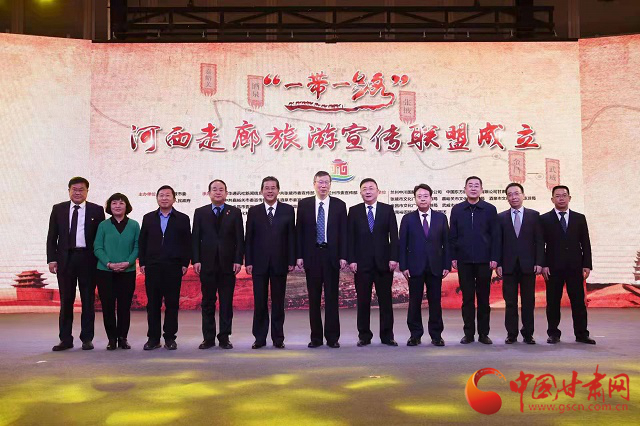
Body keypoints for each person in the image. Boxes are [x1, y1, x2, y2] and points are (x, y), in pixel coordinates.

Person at [47, 177, 105, 351]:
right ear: (69, 191)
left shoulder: (97, 210)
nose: (78, 193)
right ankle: (65, 339)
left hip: (88, 260)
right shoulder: (58, 209)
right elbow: (52, 236)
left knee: (88, 300)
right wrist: (52, 259)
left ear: (87, 191)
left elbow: (100, 238)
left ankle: (87, 338)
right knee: (66, 300)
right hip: (65, 260)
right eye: (74, 189)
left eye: (81, 190)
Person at [296, 171, 347, 348]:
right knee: (314, 299)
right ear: (314, 184)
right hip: (312, 256)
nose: (323, 186)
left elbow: (343, 233)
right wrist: (299, 255)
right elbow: (299, 232)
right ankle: (316, 338)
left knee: (332, 298)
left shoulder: (339, 205)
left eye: (326, 182)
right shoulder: (304, 205)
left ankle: (332, 338)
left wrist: (343, 256)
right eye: (320, 182)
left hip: (332, 256)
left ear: (330, 185)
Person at [192, 179, 244, 350]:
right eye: (214, 189)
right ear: (209, 193)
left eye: (221, 189)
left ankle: (224, 337)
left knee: (226, 302)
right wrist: (196, 260)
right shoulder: (200, 212)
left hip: (228, 265)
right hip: (206, 265)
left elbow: (239, 239)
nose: (218, 192)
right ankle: (208, 338)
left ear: (226, 193)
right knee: (207, 302)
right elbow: (195, 238)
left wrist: (238, 260)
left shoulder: (235, 212)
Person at [540, 185, 595, 345]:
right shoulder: (544, 219)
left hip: (575, 267)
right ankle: (553, 334)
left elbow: (585, 243)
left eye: (564, 195)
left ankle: (582, 334)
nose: (561, 198)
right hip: (553, 267)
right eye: (557, 196)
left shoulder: (579, 218)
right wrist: (543, 265)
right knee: (553, 302)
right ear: (552, 199)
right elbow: (540, 244)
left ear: (569, 198)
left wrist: (587, 264)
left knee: (578, 302)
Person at [138, 185, 191, 350]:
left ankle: (169, 338)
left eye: (168, 195)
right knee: (153, 304)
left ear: (174, 199)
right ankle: (153, 338)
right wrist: (143, 262)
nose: (164, 198)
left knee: (172, 303)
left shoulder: (182, 218)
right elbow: (142, 242)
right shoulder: (148, 218)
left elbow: (187, 243)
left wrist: (185, 263)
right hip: (153, 266)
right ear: (157, 198)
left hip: (173, 267)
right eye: (161, 195)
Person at [347, 178, 399, 347]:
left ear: (378, 191)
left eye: (371, 188)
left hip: (384, 264)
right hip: (361, 264)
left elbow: (394, 236)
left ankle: (387, 336)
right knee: (363, 301)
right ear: (360, 192)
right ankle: (364, 335)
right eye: (364, 189)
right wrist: (352, 260)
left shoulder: (387, 209)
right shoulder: (354, 211)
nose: (368, 191)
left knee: (385, 301)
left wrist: (393, 257)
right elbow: (350, 238)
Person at [245, 176, 295, 349]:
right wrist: (248, 261)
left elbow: (291, 236)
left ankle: (278, 338)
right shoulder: (254, 211)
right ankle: (259, 338)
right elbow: (249, 238)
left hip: (280, 262)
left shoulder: (288, 210)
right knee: (260, 302)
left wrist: (291, 259)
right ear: (261, 191)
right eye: (267, 188)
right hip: (259, 263)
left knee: (278, 302)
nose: (270, 191)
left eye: (273, 187)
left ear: (278, 190)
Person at [399, 184, 451, 347]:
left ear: (431, 198)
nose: (422, 199)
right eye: (419, 196)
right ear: (415, 199)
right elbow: (402, 244)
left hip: (436, 266)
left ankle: (436, 335)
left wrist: (447, 264)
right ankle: (415, 335)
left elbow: (446, 243)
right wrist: (404, 266)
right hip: (414, 267)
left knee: (435, 302)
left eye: (425, 196)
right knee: (414, 302)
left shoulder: (441, 218)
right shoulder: (408, 219)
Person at [449, 176, 499, 345]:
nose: (473, 188)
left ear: (481, 190)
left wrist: (494, 257)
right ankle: (468, 333)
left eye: (476, 185)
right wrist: (453, 256)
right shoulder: (457, 209)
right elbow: (453, 236)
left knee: (484, 298)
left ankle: (484, 334)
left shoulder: (490, 209)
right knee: (467, 299)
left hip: (485, 261)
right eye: (470, 185)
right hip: (464, 261)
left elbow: (495, 236)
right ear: (465, 189)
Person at [495, 183, 544, 345]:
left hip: (528, 265)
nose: (513, 197)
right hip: (508, 266)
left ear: (523, 195)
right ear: (507, 198)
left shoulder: (534, 215)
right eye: (510, 194)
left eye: (516, 193)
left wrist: (539, 262)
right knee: (510, 302)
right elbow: (498, 242)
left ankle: (528, 334)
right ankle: (511, 334)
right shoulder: (501, 217)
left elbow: (539, 241)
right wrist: (498, 263)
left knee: (528, 302)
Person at [93, 193, 140, 350]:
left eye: (121, 203)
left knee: (124, 307)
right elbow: (97, 247)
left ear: (127, 206)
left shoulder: (134, 225)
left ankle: (123, 338)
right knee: (108, 306)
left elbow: (137, 246)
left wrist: (128, 262)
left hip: (128, 271)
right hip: (105, 272)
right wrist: (109, 264)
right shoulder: (103, 225)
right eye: (114, 203)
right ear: (109, 206)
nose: (118, 206)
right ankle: (111, 339)